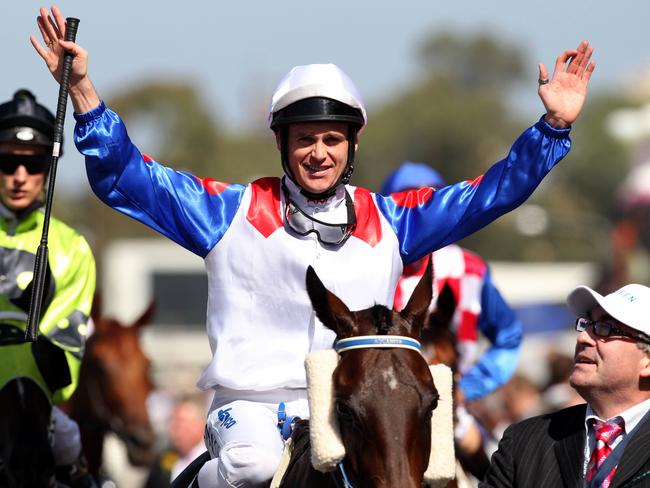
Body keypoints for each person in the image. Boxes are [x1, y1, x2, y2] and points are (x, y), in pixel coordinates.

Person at [32, 6, 594, 487]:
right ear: (282, 143)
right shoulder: (226, 210)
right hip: (246, 410)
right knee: (252, 468)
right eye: (305, 139)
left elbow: (487, 195)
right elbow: (128, 178)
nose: (318, 153)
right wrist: (81, 91)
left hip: (356, 405)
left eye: (332, 140)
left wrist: (549, 129)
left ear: (352, 146)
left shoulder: (394, 219)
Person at [0, 88, 96, 484]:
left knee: (69, 443)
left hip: (32, 407)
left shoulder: (71, 249)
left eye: (34, 163)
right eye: (7, 162)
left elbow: (60, 369)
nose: (20, 176)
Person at [480, 284, 650, 488]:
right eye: (587, 324)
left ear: (647, 361)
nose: (583, 337)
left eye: (605, 328)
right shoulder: (524, 441)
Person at [381, 161, 523, 402]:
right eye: (406, 206)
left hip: (450, 410)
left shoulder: (470, 270)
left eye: (428, 206)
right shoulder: (363, 263)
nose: (418, 219)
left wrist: (467, 389)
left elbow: (508, 337)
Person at [144, 394, 208, 488]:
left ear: (201, 424)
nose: (176, 429)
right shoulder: (161, 462)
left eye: (182, 422)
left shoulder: (214, 459)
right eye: (173, 422)